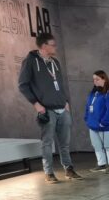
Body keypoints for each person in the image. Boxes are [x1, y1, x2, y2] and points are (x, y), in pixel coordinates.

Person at [18, 32, 83, 184]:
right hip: (46, 109)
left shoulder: (55, 62)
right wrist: (36, 104)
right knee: (47, 143)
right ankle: (49, 172)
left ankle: (69, 169)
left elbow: (59, 84)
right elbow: (22, 85)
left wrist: (65, 101)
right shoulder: (30, 61)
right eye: (52, 45)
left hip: (62, 107)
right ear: (44, 46)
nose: (55, 47)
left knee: (65, 142)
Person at [85, 70, 109, 173]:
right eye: (94, 79)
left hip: (107, 126)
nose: (95, 81)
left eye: (97, 79)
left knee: (108, 145)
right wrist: (87, 119)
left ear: (104, 79)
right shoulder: (94, 93)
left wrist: (103, 123)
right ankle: (101, 164)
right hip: (93, 125)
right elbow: (88, 107)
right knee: (96, 146)